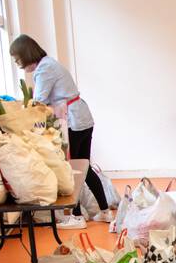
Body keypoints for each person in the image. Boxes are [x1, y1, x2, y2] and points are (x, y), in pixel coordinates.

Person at [10, 34, 108, 228]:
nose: (18, 64)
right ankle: (105, 212)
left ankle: (77, 216)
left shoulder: (44, 69)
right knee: (84, 167)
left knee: (72, 169)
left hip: (73, 120)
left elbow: (38, 102)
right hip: (82, 118)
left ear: (26, 55)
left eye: (18, 59)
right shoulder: (49, 63)